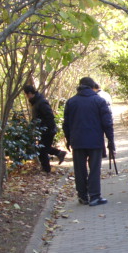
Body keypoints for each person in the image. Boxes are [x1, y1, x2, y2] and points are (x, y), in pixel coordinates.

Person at [63, 77, 115, 206]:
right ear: (93, 87)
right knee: (94, 169)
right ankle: (95, 196)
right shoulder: (99, 101)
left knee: (79, 170)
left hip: (77, 141)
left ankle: (82, 196)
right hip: (95, 141)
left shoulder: (71, 102)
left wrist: (68, 140)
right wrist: (110, 140)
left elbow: (66, 124)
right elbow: (107, 123)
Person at [23, 85, 67, 173]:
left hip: (48, 130)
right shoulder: (36, 102)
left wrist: (49, 129)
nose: (26, 97)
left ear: (30, 93)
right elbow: (37, 117)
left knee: (42, 150)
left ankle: (47, 169)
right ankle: (57, 155)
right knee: (43, 149)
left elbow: (49, 116)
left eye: (26, 95)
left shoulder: (41, 102)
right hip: (42, 130)